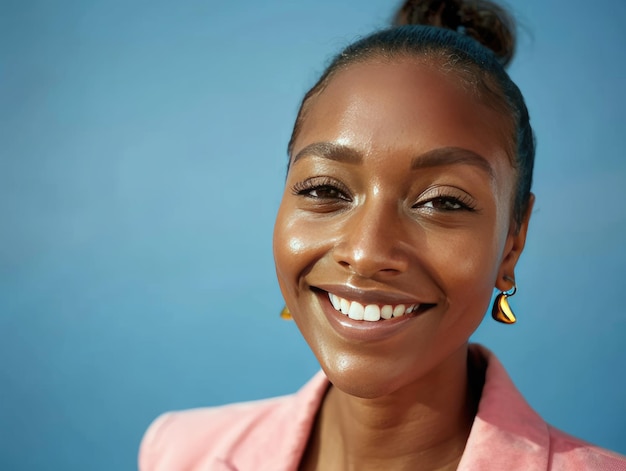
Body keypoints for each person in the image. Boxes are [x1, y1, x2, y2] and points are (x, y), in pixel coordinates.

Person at [139, 1, 626, 469]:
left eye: (442, 201)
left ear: (512, 242)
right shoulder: (182, 453)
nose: (367, 253)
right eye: (325, 188)